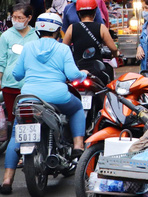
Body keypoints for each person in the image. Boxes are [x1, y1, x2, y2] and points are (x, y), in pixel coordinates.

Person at [5, 13, 87, 193]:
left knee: (15, 136)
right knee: (77, 108)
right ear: (58, 30)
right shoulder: (63, 49)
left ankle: (7, 180)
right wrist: (84, 74)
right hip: (58, 96)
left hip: (29, 98)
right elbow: (73, 75)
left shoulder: (28, 48)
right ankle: (79, 145)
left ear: (38, 29)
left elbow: (17, 74)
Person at [62, 0, 117, 83]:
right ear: (95, 12)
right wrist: (114, 55)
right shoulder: (101, 28)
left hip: (77, 69)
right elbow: (113, 48)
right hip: (97, 70)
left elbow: (63, 48)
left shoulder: (71, 28)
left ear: (78, 13)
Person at [0, 4, 38, 126]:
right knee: (13, 119)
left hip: (32, 85)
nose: (16, 21)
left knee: (32, 118)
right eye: (14, 17)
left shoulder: (37, 35)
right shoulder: (6, 36)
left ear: (29, 18)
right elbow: (2, 61)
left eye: (20, 18)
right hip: (10, 85)